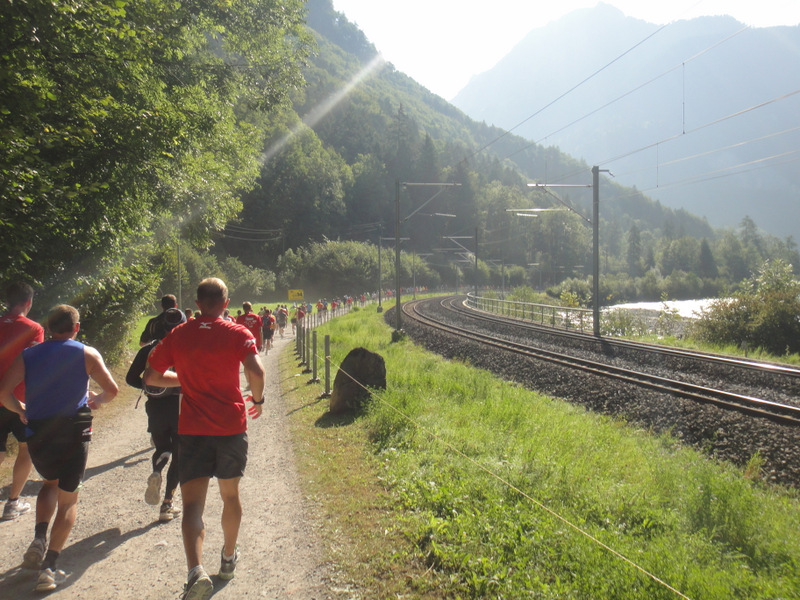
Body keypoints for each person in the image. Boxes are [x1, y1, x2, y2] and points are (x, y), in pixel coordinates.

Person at [144, 278, 265, 600]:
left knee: (193, 506)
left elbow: (151, 376)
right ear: (226, 303)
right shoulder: (239, 333)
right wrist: (259, 400)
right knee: (230, 496)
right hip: (230, 428)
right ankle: (227, 557)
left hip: (193, 429)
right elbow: (257, 372)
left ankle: (195, 571)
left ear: (197, 304)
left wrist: (184, 377)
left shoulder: (178, 334)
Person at [0, 304, 118, 592]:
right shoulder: (86, 353)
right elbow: (112, 390)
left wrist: (20, 409)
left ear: (49, 327)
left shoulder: (29, 354)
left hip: (39, 431)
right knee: (69, 499)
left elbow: (3, 392)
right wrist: (96, 400)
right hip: (74, 430)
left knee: (48, 485)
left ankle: (39, 538)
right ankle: (49, 567)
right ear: (76, 328)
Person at [126, 307, 186, 522]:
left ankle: (158, 469)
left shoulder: (149, 350)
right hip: (180, 406)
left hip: (155, 406)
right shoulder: (184, 348)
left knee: (162, 447)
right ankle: (167, 504)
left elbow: (131, 378)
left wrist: (146, 386)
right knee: (179, 456)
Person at [0, 282, 44, 521]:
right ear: (28, 302)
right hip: (21, 400)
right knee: (26, 450)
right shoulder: (34, 328)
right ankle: (12, 503)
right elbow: (36, 363)